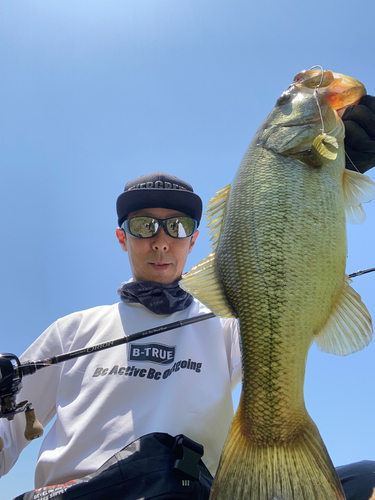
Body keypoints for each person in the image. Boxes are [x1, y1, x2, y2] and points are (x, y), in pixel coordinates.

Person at [1, 96, 375, 500]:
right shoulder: (70, 332)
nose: (161, 241)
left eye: (177, 227)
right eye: (144, 225)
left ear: (193, 240)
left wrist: (330, 170)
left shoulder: (228, 326)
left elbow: (283, 265)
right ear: (122, 237)